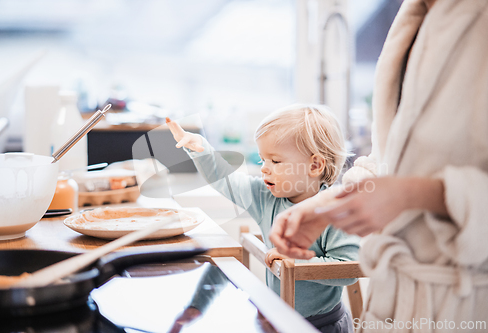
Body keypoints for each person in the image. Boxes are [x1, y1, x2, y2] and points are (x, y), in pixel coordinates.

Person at [270, 0, 488, 331]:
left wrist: (413, 194)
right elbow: (388, 160)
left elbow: (406, 184)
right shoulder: (413, 17)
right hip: (395, 303)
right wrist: (329, 205)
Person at [166, 104, 360, 332]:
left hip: (323, 324)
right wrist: (201, 150)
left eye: (275, 161)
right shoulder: (265, 197)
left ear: (315, 165)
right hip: (278, 319)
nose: (264, 170)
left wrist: (292, 263)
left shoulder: (336, 211)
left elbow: (347, 270)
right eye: (262, 160)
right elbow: (225, 180)